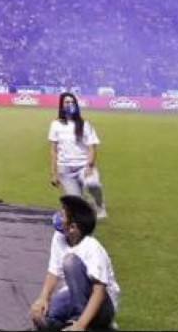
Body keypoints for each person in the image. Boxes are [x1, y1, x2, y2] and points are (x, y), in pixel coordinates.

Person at [28, 196, 120, 331]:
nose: (58, 217)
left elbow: (99, 292)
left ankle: (90, 322)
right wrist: (43, 299)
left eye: (63, 215)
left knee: (70, 262)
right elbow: (54, 271)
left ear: (73, 227)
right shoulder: (59, 237)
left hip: (104, 304)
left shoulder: (92, 248)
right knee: (42, 316)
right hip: (74, 295)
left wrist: (80, 325)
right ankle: (90, 326)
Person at [49, 93, 106, 217]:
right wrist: (54, 173)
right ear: (61, 105)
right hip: (65, 171)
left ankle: (100, 205)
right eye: (66, 102)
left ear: (76, 104)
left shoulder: (85, 124)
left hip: (83, 167)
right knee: (76, 204)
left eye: (72, 102)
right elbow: (53, 150)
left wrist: (90, 166)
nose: (70, 105)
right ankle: (84, 204)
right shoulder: (55, 125)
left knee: (93, 184)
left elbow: (92, 146)